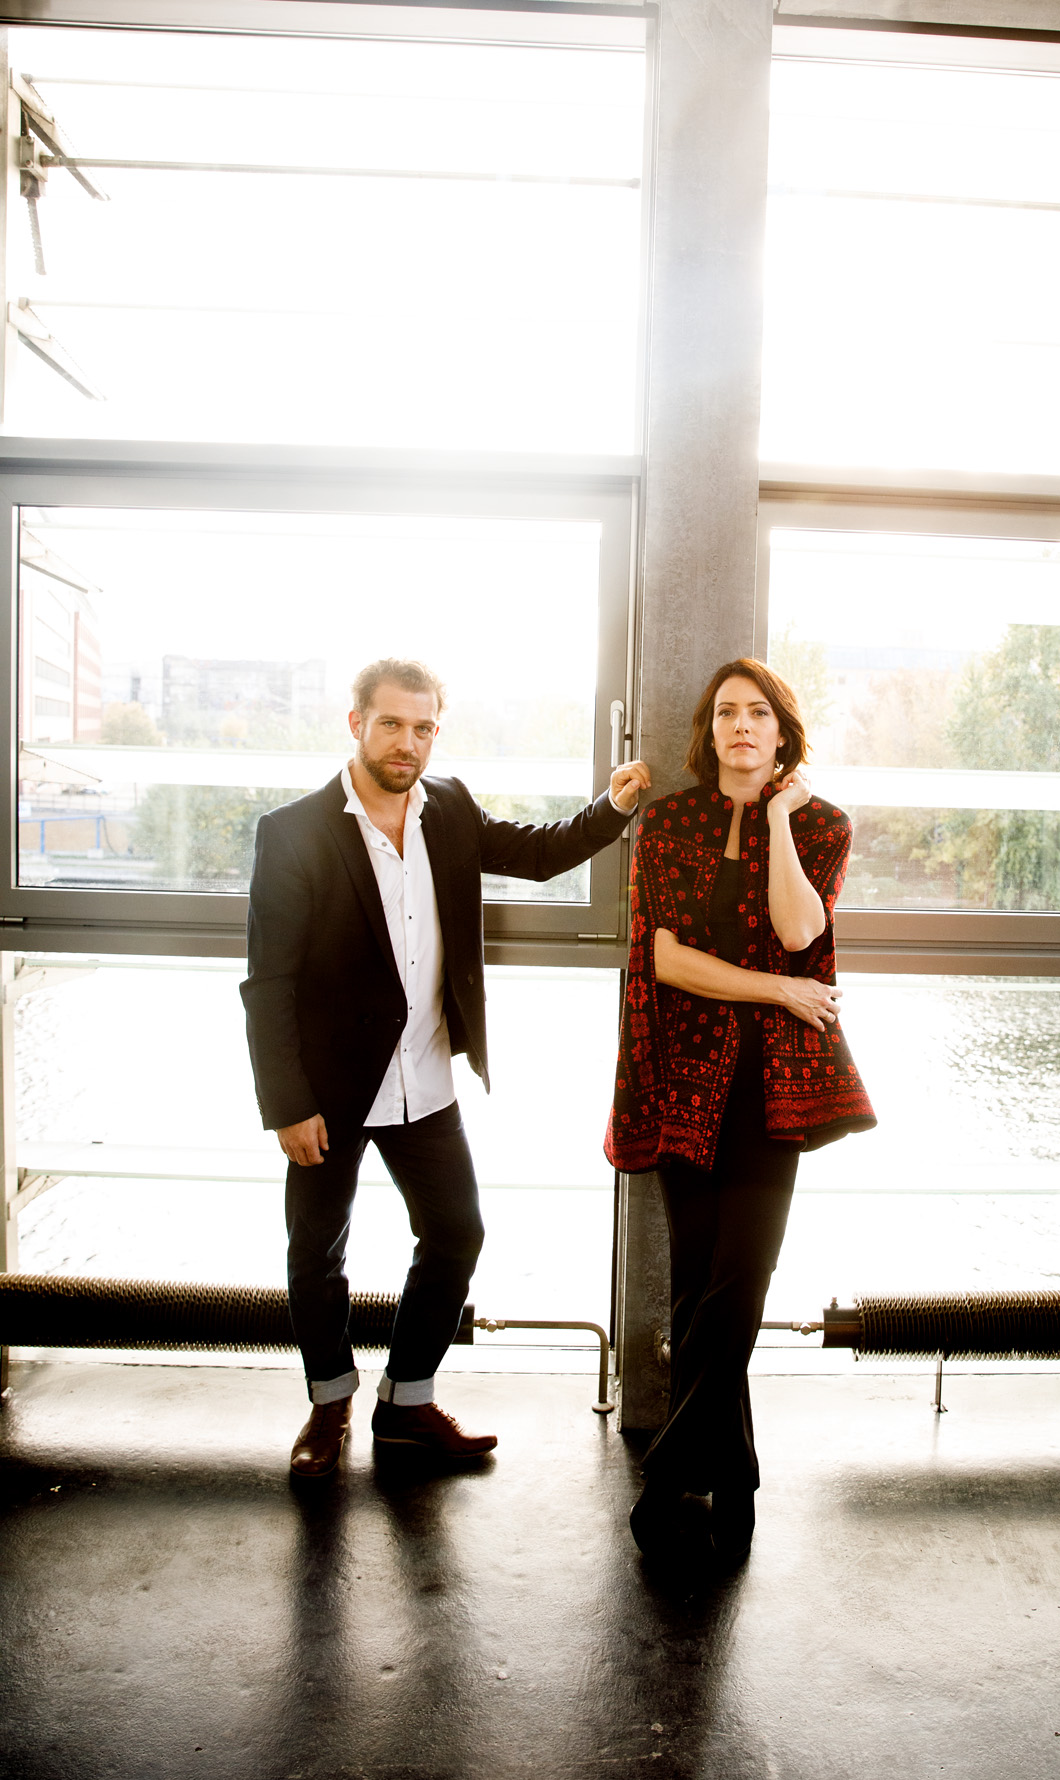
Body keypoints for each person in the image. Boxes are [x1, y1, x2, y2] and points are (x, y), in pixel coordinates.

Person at [242, 656, 649, 1478]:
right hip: (329, 1090)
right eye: (391, 723)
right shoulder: (293, 831)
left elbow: (538, 853)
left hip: (425, 1076)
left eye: (423, 727)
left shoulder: (450, 807)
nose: (407, 742)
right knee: (316, 1251)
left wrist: (611, 808)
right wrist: (286, 1102)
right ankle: (329, 1405)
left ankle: (406, 1403)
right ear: (356, 723)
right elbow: (269, 980)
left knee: (457, 1233)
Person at [605, 657, 875, 1564]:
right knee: (696, 1284)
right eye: (726, 712)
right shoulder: (669, 821)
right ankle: (737, 1473)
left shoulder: (822, 824)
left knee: (741, 1279)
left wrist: (778, 821)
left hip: (775, 1086)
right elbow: (666, 959)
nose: (741, 727)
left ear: (781, 731)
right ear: (709, 730)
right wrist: (779, 990)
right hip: (683, 1073)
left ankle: (673, 1471)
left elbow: (799, 930)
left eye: (758, 713)